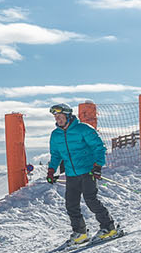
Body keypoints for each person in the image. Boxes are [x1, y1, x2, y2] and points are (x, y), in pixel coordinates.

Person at [46, 103, 119, 244]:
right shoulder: (55, 135)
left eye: (60, 116)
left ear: (68, 116)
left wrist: (97, 166)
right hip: (71, 173)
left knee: (91, 200)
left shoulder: (83, 129)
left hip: (87, 171)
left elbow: (99, 147)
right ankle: (80, 232)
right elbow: (55, 154)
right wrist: (51, 170)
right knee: (71, 204)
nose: (58, 119)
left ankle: (109, 227)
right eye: (56, 117)